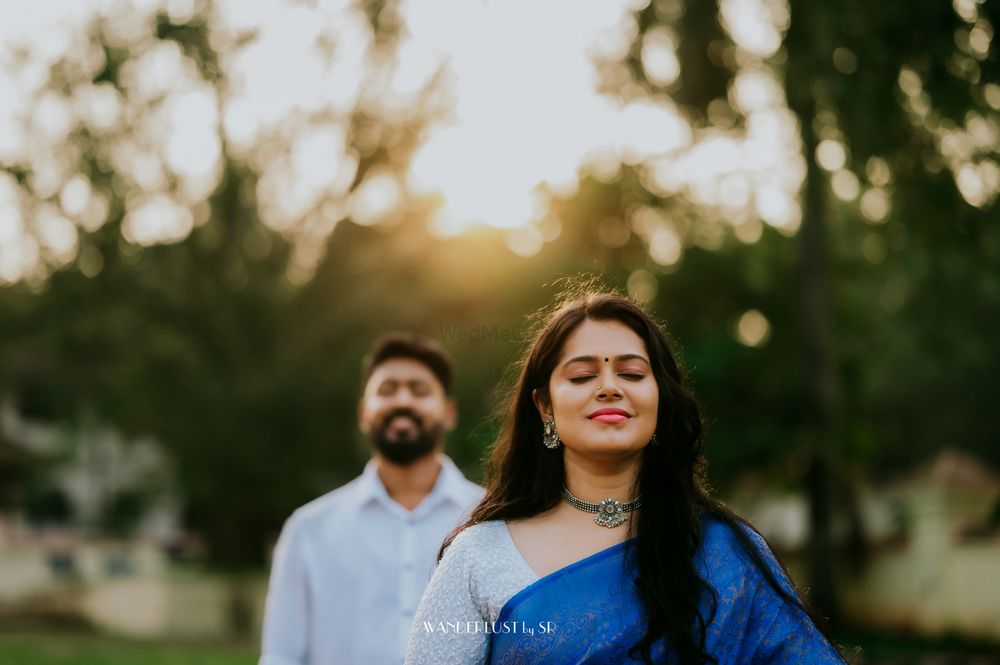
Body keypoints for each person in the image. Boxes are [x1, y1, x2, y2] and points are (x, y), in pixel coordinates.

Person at [404, 292, 847, 664]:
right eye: (582, 375)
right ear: (544, 407)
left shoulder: (723, 551)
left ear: (660, 399)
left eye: (632, 373)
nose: (609, 386)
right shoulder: (480, 556)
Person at [260, 333, 484, 665]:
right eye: (387, 390)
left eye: (419, 390)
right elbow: (281, 657)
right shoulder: (309, 529)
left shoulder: (492, 520)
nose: (402, 400)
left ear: (448, 413)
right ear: (365, 413)